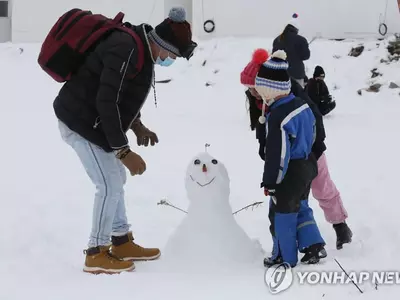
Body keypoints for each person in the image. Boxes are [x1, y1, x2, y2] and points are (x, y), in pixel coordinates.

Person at [53, 7, 197, 274]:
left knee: (115, 179)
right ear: (162, 45)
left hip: (95, 121)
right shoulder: (126, 48)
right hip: (80, 120)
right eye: (172, 55)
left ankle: (120, 241)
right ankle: (95, 252)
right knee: (108, 183)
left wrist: (138, 125)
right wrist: (123, 151)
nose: (171, 61)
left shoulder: (141, 48)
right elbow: (106, 101)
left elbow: (123, 93)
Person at [241, 49, 352, 251]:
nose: (251, 93)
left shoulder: (289, 91)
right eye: (248, 89)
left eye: (253, 88)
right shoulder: (262, 100)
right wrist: (266, 152)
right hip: (288, 160)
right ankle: (308, 243)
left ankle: (340, 224)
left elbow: (314, 116)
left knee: (322, 187)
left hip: (311, 150)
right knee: (295, 199)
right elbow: (264, 129)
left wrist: (312, 145)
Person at [252, 50, 326, 267]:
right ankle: (313, 244)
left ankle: (284, 256)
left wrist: (272, 183)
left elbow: (278, 153)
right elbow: (313, 133)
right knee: (300, 205)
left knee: (281, 213)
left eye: (262, 90)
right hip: (307, 165)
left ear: (271, 91)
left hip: (288, 173)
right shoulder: (302, 105)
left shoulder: (278, 116)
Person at [272, 13, 310, 87]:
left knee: (282, 97)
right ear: (296, 28)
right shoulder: (301, 40)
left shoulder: (277, 39)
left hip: (280, 75)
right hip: (297, 74)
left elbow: (274, 57)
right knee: (298, 96)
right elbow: (306, 56)